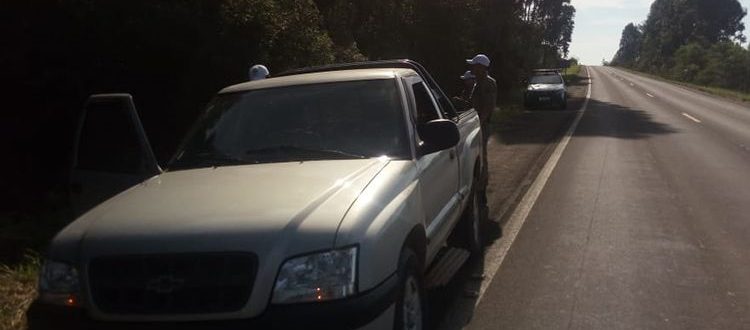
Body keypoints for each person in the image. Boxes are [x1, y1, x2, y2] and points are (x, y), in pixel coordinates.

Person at [466, 54, 497, 223]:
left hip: (482, 126)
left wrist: (479, 123)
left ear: (482, 67)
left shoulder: (488, 83)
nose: (472, 68)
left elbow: (488, 107)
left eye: (474, 66)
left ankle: (482, 193)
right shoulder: (478, 83)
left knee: (482, 158)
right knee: (477, 157)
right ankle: (478, 189)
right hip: (478, 125)